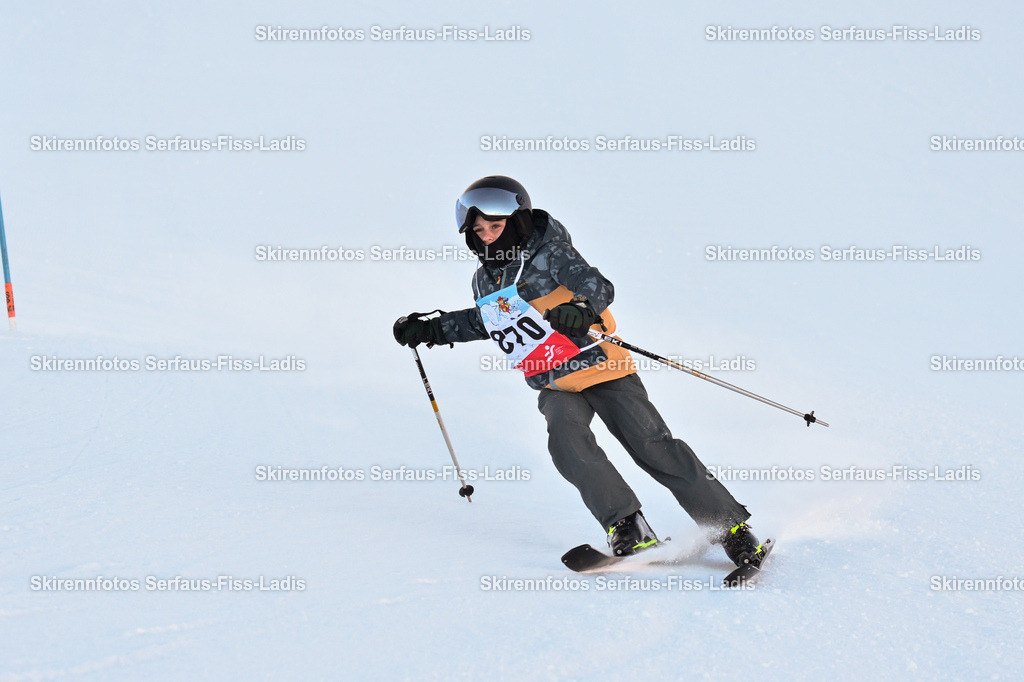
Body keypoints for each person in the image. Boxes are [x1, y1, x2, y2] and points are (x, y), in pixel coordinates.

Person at [393, 175, 765, 566]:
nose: (486, 236)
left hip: (602, 368)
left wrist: (582, 309)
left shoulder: (550, 254)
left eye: (495, 226)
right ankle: (627, 525)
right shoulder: (484, 279)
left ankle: (733, 529)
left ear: (517, 221)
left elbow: (596, 284)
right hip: (553, 382)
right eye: (479, 230)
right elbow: (489, 322)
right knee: (567, 444)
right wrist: (433, 329)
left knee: (651, 446)